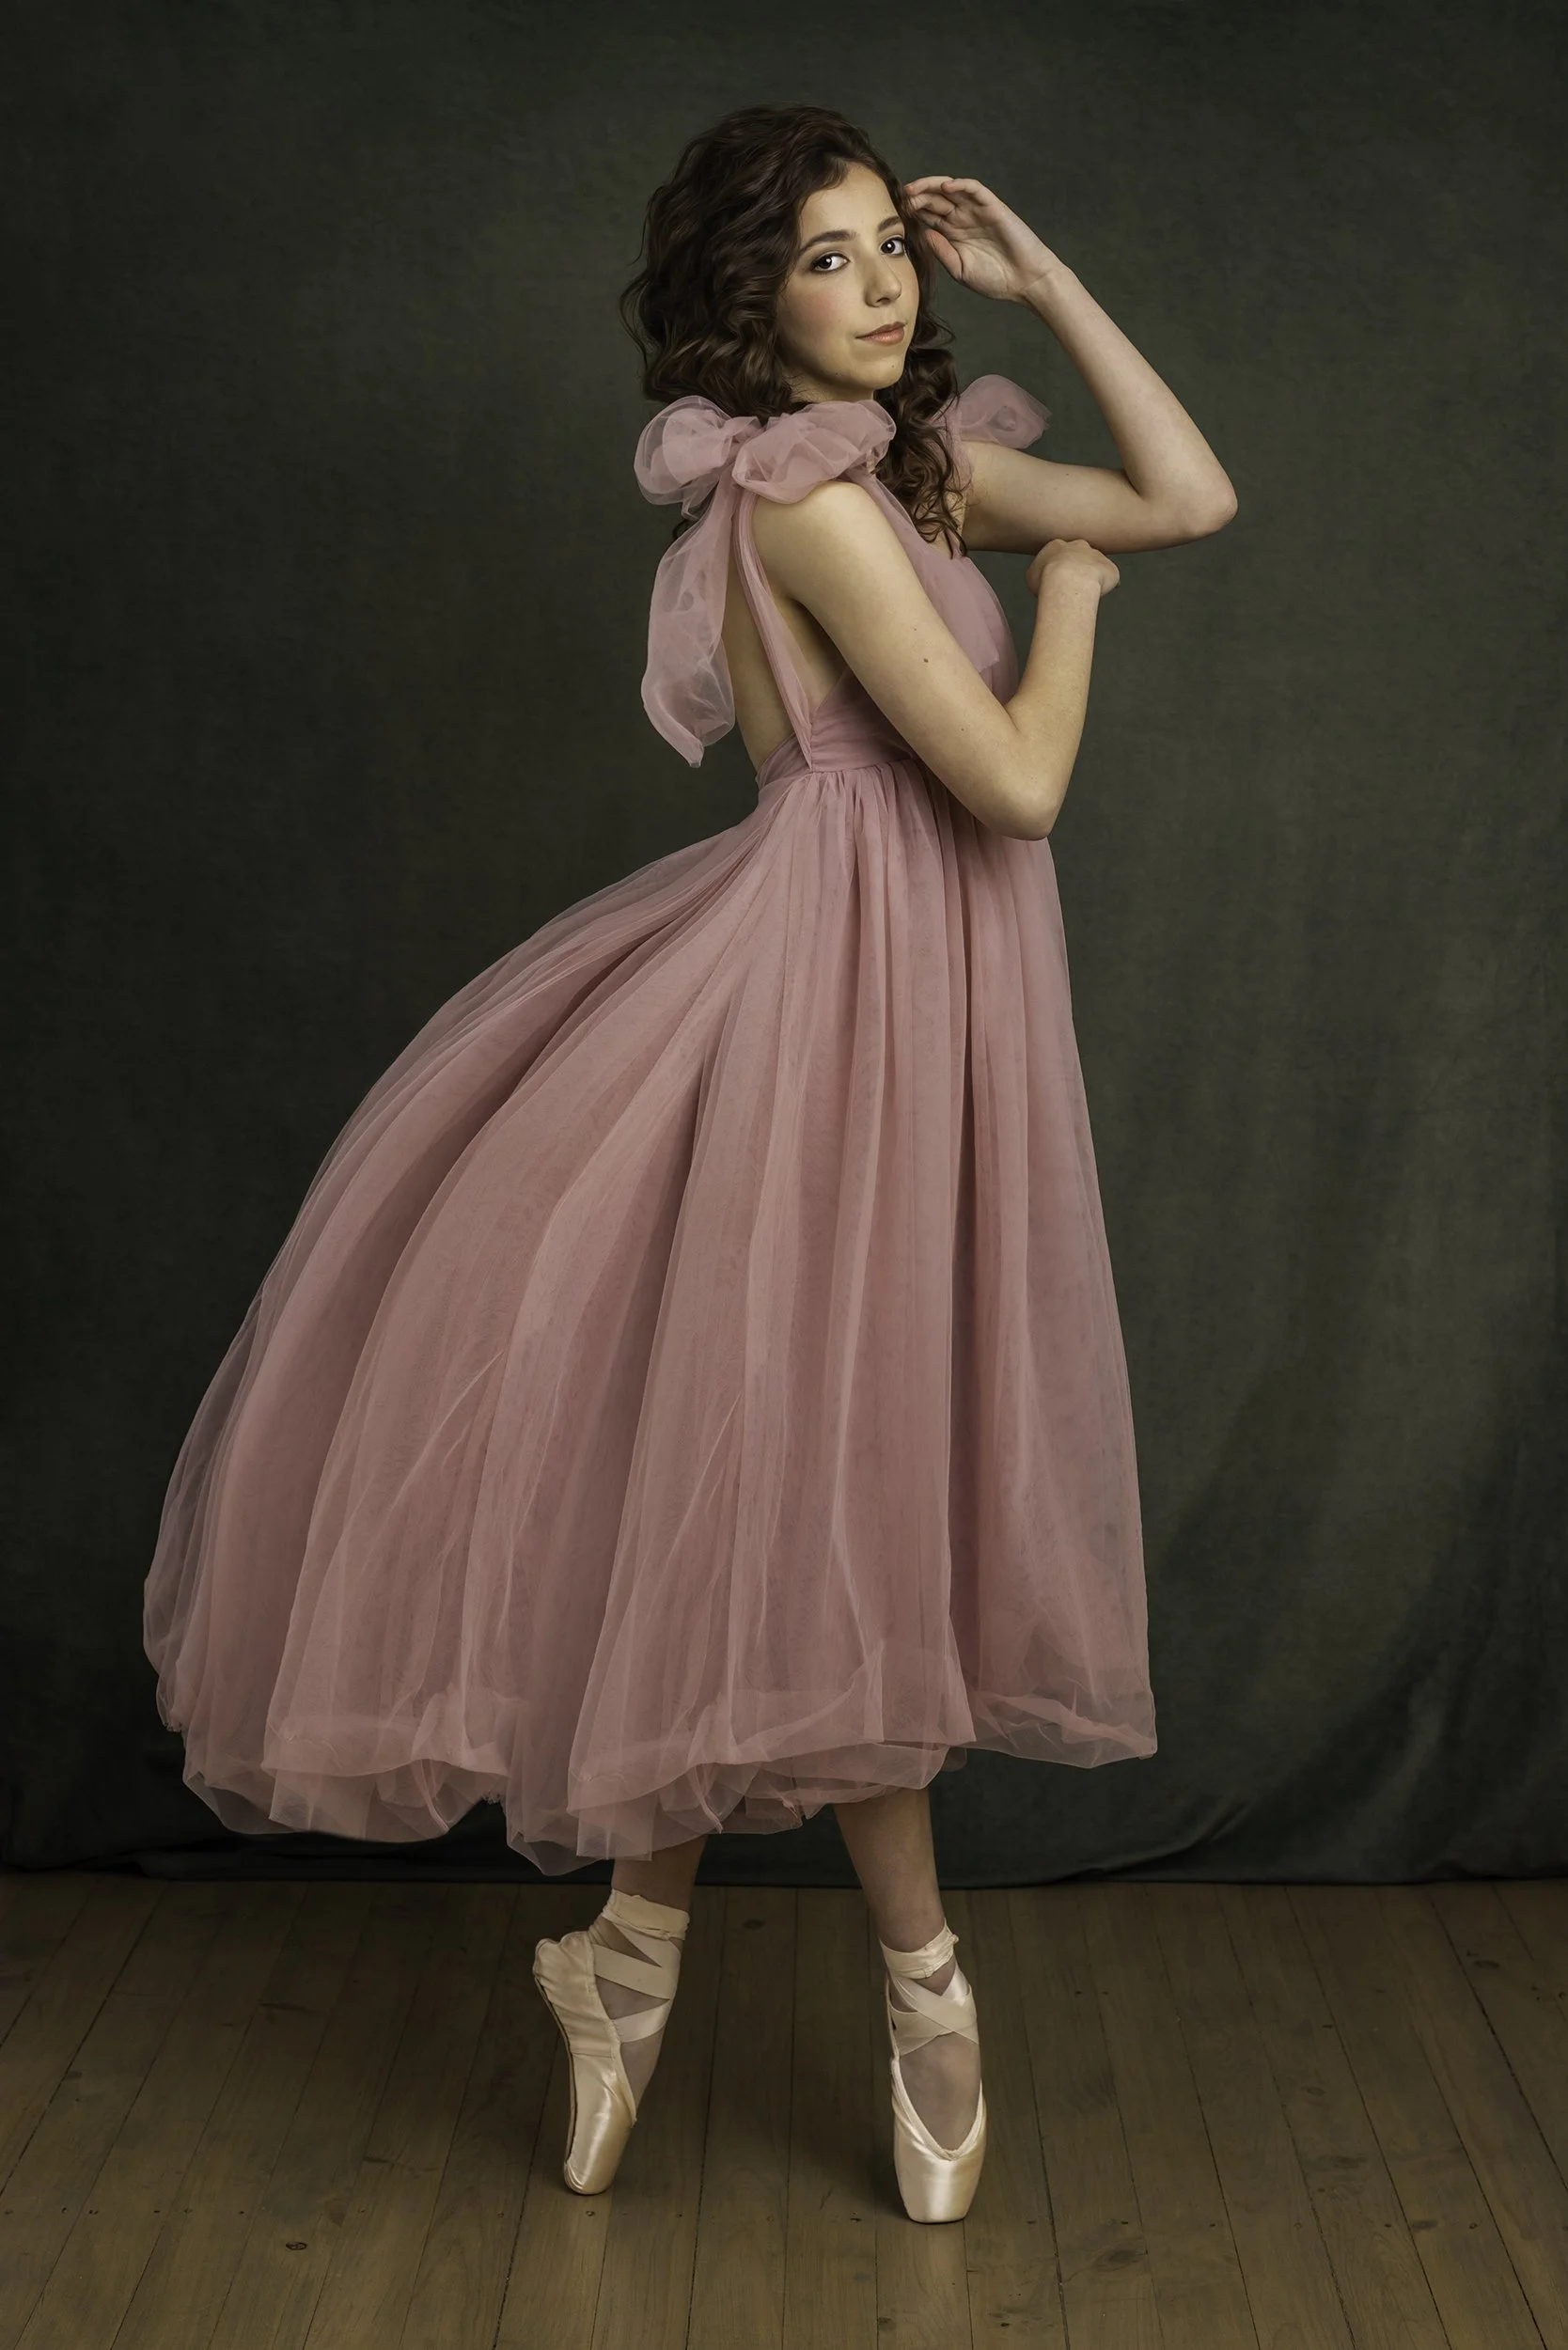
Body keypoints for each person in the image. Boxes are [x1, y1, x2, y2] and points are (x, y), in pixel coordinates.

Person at [143, 102, 1234, 2223]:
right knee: (830, 1488)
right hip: (834, 1011)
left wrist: (1051, 280)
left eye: (888, 243)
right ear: (752, 299)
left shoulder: (908, 469)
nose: (880, 283)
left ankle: (633, 1961)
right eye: (827, 257)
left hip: (926, 1012)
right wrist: (1075, 603)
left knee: (791, 1495)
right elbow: (1014, 787)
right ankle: (920, 1985)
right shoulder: (805, 501)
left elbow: (1193, 492)